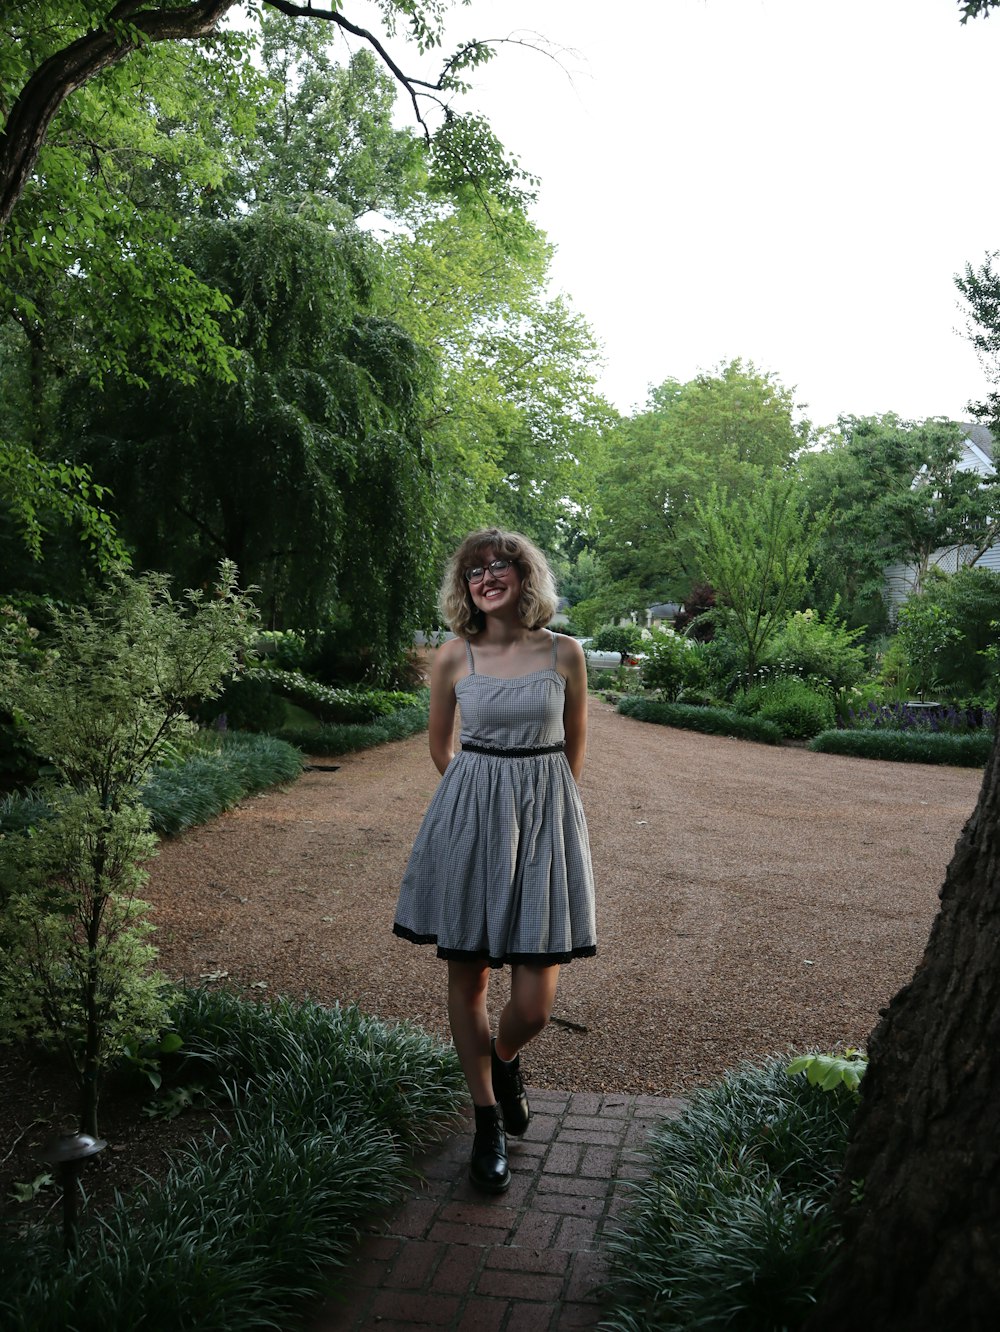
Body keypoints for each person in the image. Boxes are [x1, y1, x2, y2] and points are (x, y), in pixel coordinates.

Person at [393, 527, 597, 1194]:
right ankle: (486, 1122)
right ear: (465, 587)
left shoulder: (565, 654)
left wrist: (541, 811)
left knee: (535, 1002)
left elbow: (573, 749)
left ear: (524, 577)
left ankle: (504, 1060)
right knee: (470, 975)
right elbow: (439, 749)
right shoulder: (454, 657)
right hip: (471, 821)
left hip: (544, 819)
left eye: (500, 565)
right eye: (474, 569)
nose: (487, 576)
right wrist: (475, 808)